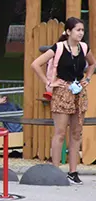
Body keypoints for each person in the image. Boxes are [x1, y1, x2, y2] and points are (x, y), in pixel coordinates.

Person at [30, 17, 96, 185]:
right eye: (77, 30)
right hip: (62, 91)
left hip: (78, 92)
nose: (81, 33)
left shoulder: (84, 47)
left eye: (82, 30)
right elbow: (36, 64)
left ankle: (73, 172)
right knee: (60, 132)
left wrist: (87, 79)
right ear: (68, 31)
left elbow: (92, 64)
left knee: (76, 133)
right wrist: (48, 82)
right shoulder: (58, 48)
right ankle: (56, 170)